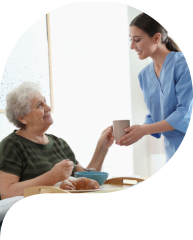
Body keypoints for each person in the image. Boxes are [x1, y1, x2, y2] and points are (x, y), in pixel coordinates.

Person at [0, 82, 114, 199]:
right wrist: (51, 177)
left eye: (45, 102)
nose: (48, 108)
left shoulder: (59, 144)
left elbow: (88, 182)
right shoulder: (12, 145)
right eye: (39, 105)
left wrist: (102, 148)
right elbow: (6, 192)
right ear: (22, 118)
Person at [116, 12, 193, 163]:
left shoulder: (183, 65)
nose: (132, 46)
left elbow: (184, 113)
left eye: (137, 40)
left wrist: (144, 130)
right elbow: (154, 114)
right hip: (172, 150)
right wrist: (136, 132)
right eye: (131, 40)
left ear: (157, 38)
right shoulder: (144, 75)